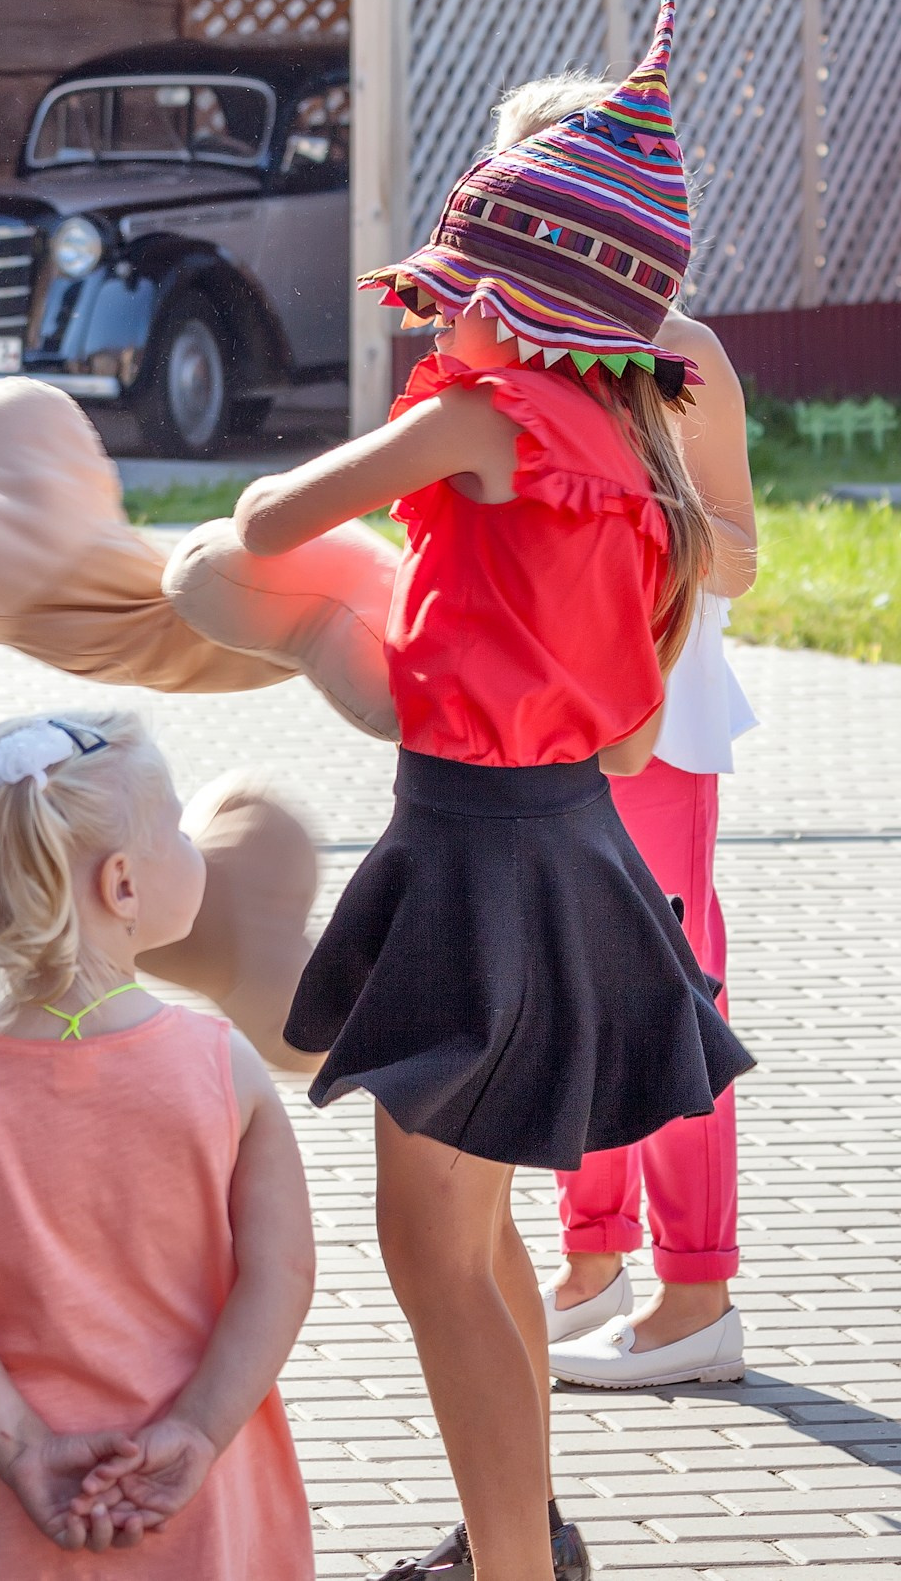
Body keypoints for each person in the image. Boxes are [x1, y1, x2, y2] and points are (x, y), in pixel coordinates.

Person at [238, 0, 752, 1581]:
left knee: (434, 1250)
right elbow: (629, 726)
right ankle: (516, 1538)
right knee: (481, 1232)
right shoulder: (639, 458)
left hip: (471, 867)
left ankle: (513, 1564)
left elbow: (264, 520)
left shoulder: (483, 416)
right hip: (573, 845)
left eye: (451, 291)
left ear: (512, 302)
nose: (434, 316)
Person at [0, 709, 314, 1575]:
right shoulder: (223, 1067)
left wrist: (25, 1450)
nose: (192, 846)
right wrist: (196, 1430)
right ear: (122, 884)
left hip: (23, 1509)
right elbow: (283, 1275)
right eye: (178, 829)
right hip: (203, 1494)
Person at [488, 73, 762, 1390]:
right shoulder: (498, 342)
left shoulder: (681, 349)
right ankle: (591, 1263)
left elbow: (744, 554)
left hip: (659, 723)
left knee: (668, 999)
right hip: (533, 723)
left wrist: (631, 507)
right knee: (563, 993)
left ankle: (697, 1294)